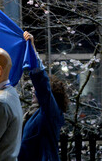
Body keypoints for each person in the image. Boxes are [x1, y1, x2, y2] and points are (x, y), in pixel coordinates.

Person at [19, 31, 69, 161]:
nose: (32, 91)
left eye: (35, 89)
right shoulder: (34, 114)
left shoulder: (50, 112)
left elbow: (41, 83)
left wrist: (32, 49)